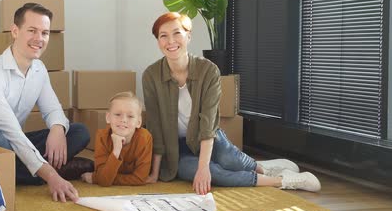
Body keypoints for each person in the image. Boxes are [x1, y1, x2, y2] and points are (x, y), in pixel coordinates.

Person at [142, 12, 321, 194]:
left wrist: (202, 167)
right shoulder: (151, 75)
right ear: (158, 41)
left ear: (188, 36)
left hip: (207, 136)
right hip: (176, 150)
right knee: (212, 173)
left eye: (177, 33)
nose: (170, 41)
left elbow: (208, 123)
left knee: (229, 161)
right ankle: (282, 180)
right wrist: (156, 172)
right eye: (163, 36)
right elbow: (155, 126)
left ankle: (260, 168)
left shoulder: (208, 70)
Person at [0, 3, 92, 203]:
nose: (39, 39)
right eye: (32, 30)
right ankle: (42, 174)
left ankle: (22, 174)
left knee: (78, 132)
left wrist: (57, 129)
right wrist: (53, 176)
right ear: (15, 31)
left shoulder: (39, 69)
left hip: (17, 145)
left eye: (45, 33)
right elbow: (11, 132)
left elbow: (53, 110)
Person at [81, 91, 152, 186]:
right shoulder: (102, 137)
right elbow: (104, 181)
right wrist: (116, 150)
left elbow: (140, 179)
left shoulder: (145, 138)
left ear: (139, 122)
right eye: (118, 114)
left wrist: (96, 177)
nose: (123, 120)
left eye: (130, 116)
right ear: (108, 117)